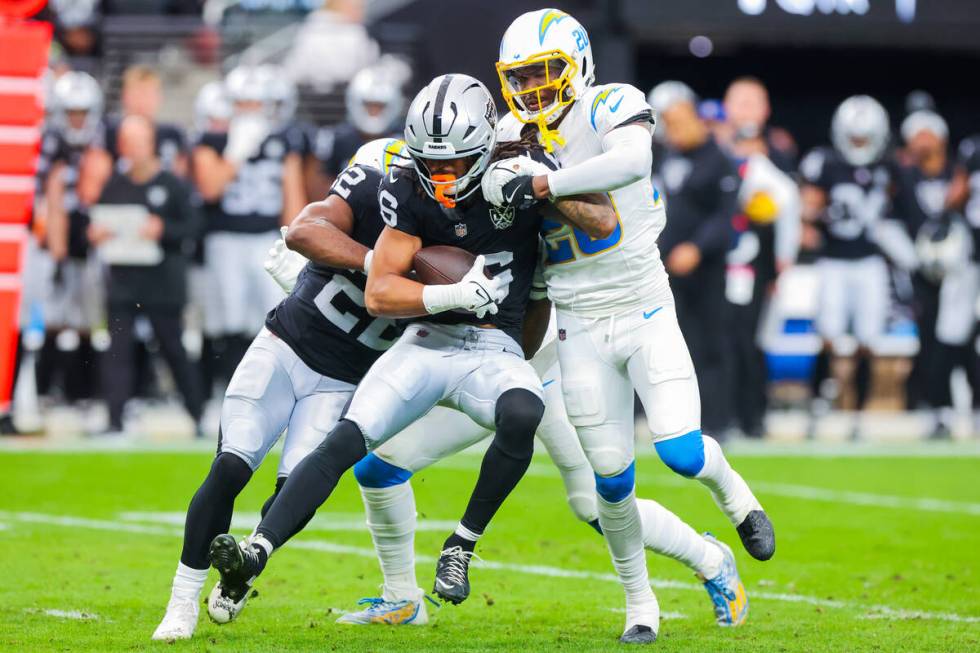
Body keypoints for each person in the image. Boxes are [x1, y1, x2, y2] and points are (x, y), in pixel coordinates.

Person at [201, 73, 634, 628]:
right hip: (428, 340)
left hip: (502, 347)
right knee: (348, 443)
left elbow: (602, 221)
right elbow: (380, 291)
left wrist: (542, 183)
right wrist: (449, 294)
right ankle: (256, 552)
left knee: (543, 434)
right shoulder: (407, 185)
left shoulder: (522, 167)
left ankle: (462, 545)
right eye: (432, 164)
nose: (443, 177)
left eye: (454, 163)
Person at [483, 9, 772, 643]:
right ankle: (641, 603)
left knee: (681, 450)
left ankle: (737, 498)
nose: (532, 92)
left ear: (578, 65)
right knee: (611, 482)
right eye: (521, 78)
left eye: (544, 75)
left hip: (643, 305)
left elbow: (630, 165)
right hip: (575, 320)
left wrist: (538, 181)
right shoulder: (505, 132)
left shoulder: (610, 104)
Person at [150, 137, 404, 642]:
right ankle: (181, 600)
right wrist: (375, 261)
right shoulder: (367, 187)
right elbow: (304, 230)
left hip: (342, 380)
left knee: (295, 489)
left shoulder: (444, 234)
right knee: (230, 464)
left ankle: (243, 569)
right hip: (285, 349)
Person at [88, 115, 202, 435]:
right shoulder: (114, 185)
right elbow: (98, 222)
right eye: (127, 142)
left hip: (163, 285)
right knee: (117, 351)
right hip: (124, 283)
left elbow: (193, 227)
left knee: (174, 350)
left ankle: (198, 414)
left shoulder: (172, 185)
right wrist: (96, 233)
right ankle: (114, 420)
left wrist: (163, 230)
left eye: (138, 141)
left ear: (151, 143)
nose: (133, 149)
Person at [192, 64, 306, 384]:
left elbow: (292, 198)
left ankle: (268, 386)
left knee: (273, 315)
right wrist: (236, 151)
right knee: (230, 317)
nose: (250, 110)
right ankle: (229, 387)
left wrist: (295, 243)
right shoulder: (213, 139)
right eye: (243, 103)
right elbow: (210, 188)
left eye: (256, 103)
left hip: (267, 239)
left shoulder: (283, 139)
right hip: (226, 238)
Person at [798, 95, 894, 436]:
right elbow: (807, 206)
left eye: (864, 138)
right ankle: (819, 406)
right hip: (833, 261)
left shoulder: (889, 167)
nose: (859, 144)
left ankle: (860, 415)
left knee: (868, 340)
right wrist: (811, 217)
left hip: (870, 262)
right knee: (827, 336)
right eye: (854, 137)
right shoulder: (824, 162)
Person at [649, 81, 740, 437]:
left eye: (679, 121)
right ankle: (676, 420)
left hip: (707, 268)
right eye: (669, 124)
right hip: (667, 268)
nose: (674, 130)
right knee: (673, 346)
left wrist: (697, 249)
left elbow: (724, 217)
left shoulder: (719, 160)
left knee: (713, 343)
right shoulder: (667, 158)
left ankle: (719, 421)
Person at [722, 92, 801, 439]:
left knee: (751, 343)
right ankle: (726, 415)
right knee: (724, 343)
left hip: (756, 273)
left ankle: (753, 415)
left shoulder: (772, 179)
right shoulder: (725, 170)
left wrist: (780, 267)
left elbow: (788, 219)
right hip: (724, 271)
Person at [37, 71, 111, 405]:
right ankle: (44, 388)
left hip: (92, 235)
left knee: (87, 319)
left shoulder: (103, 140)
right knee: (52, 317)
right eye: (71, 112)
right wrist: (54, 242)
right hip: (51, 236)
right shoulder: (48, 142)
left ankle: (82, 390)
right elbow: (44, 196)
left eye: (82, 111)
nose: (77, 119)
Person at [312, 64, 405, 193]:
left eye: (379, 106)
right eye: (369, 105)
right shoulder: (338, 139)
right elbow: (323, 189)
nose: (374, 112)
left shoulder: (404, 140)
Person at [101, 65, 189, 177]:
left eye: (147, 94)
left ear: (158, 97)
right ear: (125, 96)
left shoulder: (172, 134)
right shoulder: (109, 132)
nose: (142, 101)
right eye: (137, 94)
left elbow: (181, 178)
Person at [721, 76, 797, 174]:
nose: (747, 110)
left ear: (767, 109)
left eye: (755, 103)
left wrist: (764, 155)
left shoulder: (780, 146)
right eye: (742, 103)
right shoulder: (708, 147)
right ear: (725, 107)